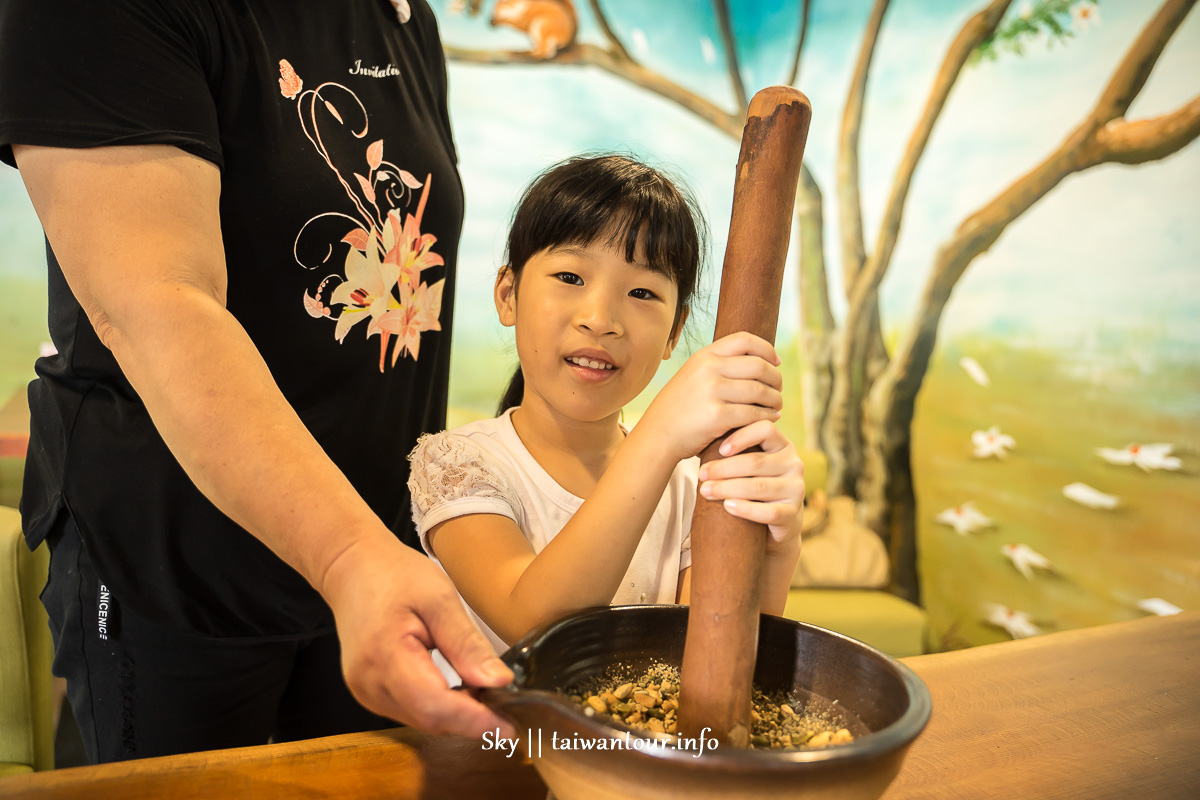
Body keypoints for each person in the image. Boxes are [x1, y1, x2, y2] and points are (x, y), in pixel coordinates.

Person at [0, 0, 513, 764]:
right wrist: (349, 557)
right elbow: (154, 305)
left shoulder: (400, 17)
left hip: (375, 557)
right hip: (182, 572)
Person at [408, 155, 804, 658]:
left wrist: (777, 548)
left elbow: (713, 659)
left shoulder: (692, 483)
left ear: (674, 332)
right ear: (508, 294)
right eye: (571, 277)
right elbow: (532, 623)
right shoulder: (457, 463)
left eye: (642, 292)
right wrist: (660, 433)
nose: (601, 320)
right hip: (493, 740)